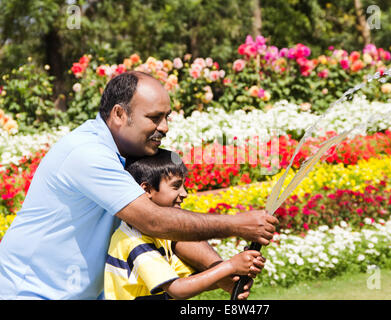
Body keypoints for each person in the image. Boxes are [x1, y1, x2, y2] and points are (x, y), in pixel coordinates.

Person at [0, 71, 278, 299]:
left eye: (167, 116)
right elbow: (153, 221)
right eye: (155, 117)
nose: (165, 127)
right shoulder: (87, 153)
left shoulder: (131, 153)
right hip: (30, 291)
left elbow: (170, 228)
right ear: (120, 114)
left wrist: (218, 269)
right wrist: (238, 225)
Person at [105, 149, 266, 300]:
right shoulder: (135, 242)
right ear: (146, 190)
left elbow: (192, 282)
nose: (184, 194)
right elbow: (177, 289)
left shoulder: (159, 236)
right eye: (176, 186)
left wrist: (235, 273)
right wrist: (231, 266)